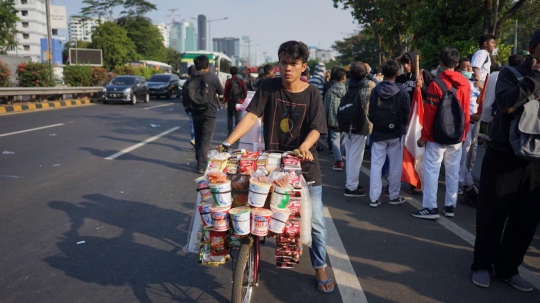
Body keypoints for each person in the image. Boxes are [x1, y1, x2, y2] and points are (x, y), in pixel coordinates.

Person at [221, 40, 334, 293]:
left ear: (303, 67)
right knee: (253, 208)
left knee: (315, 222)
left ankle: (320, 267)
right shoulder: (269, 87)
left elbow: (317, 128)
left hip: (305, 167)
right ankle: (249, 252)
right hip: (272, 164)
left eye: (293, 64)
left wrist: (305, 146)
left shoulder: (312, 93)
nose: (287, 68)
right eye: (283, 62)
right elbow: (251, 116)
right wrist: (228, 142)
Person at [470, 29, 540, 292]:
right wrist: (534, 78)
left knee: (526, 219)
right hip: (503, 154)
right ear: (533, 48)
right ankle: (482, 265)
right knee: (492, 214)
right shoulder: (511, 74)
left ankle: (509, 269)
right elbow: (505, 104)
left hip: (536, 160)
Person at [413, 47, 471, 219]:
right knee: (453, 171)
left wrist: (424, 136)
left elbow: (430, 112)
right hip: (457, 136)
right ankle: (450, 207)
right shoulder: (466, 84)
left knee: (432, 170)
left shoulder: (436, 83)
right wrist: (463, 133)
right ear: (457, 63)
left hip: (437, 135)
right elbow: (466, 112)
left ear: (440, 63)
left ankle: (430, 208)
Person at [368, 59, 410, 207]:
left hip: (379, 132)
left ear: (382, 74)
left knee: (376, 165)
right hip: (396, 133)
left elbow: (371, 113)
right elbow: (406, 113)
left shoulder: (375, 90)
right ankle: (394, 196)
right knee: (395, 166)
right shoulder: (402, 91)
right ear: (397, 74)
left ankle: (374, 198)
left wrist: (378, 124)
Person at [396, 51, 434, 195]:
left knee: (419, 151)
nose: (406, 66)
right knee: (407, 150)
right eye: (403, 63)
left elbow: (433, 93)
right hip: (405, 120)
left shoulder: (423, 75)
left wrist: (422, 87)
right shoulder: (400, 79)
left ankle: (419, 181)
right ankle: (411, 179)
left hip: (419, 119)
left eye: (409, 63)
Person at [182, 55, 224, 174]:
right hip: (210, 112)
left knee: (199, 138)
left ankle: (199, 160)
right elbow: (221, 92)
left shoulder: (190, 78)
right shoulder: (212, 77)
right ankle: (201, 165)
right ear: (207, 66)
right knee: (206, 140)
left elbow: (185, 95)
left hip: (195, 112)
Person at [343, 61, 376, 197]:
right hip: (362, 124)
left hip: (346, 122)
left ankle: (350, 183)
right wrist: (369, 74)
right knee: (355, 157)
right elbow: (380, 85)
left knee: (350, 154)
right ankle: (351, 187)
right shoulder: (370, 85)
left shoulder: (346, 84)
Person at [456, 57, 481, 198]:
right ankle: (459, 183)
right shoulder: (460, 84)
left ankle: (466, 181)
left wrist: (481, 87)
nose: (470, 69)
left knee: (469, 154)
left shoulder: (474, 84)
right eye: (466, 67)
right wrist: (469, 117)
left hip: (473, 125)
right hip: (464, 123)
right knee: (461, 155)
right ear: (459, 69)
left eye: (470, 67)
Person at [323, 67, 347, 171]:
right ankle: (341, 157)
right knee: (343, 140)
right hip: (345, 120)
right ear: (344, 77)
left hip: (333, 120)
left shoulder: (330, 91)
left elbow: (326, 107)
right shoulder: (348, 90)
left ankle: (338, 162)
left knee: (335, 140)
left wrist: (325, 119)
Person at [309, 62, 328, 152]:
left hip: (309, 103)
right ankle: (315, 145)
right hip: (317, 104)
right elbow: (320, 94)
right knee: (316, 127)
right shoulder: (321, 79)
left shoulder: (312, 78)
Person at [223, 66, 248, 135]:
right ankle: (236, 133)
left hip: (231, 101)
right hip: (239, 101)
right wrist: (243, 99)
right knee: (238, 117)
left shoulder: (228, 81)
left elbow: (226, 92)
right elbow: (244, 91)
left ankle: (230, 131)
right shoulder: (241, 81)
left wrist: (224, 102)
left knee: (230, 117)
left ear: (230, 72)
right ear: (237, 72)